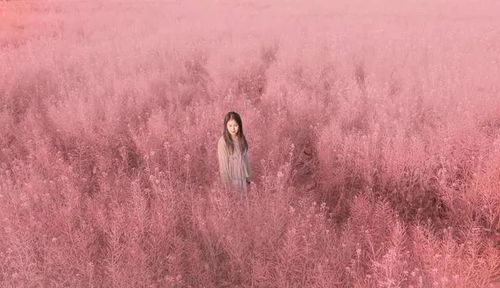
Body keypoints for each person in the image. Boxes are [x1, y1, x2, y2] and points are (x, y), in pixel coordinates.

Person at [217, 111, 251, 194]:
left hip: (242, 176)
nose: (233, 128)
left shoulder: (241, 139)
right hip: (231, 178)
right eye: (230, 125)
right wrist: (226, 184)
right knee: (234, 200)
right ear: (226, 126)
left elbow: (245, 159)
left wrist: (248, 177)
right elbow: (223, 164)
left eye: (235, 125)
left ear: (240, 125)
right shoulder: (223, 141)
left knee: (243, 200)